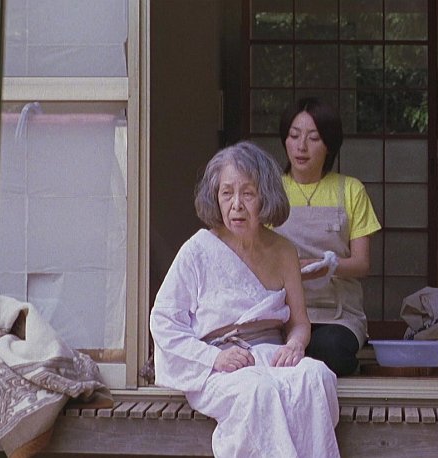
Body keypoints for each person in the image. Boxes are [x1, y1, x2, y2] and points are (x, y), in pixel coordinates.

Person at [150, 141, 340, 458]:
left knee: (315, 377)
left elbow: (299, 323)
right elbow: (164, 322)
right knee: (258, 391)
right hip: (216, 364)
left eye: (248, 194)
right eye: (227, 193)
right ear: (215, 196)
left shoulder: (284, 251)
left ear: (265, 197)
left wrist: (295, 345)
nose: (236, 205)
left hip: (270, 355)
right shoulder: (196, 251)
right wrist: (215, 358)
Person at [272, 97, 382, 377]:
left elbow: (361, 264)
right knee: (270, 352)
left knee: (329, 349)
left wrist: (326, 266)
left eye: (314, 138)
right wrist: (289, 271)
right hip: (280, 312)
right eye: (294, 136)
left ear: (330, 144)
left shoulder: (351, 190)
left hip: (338, 315)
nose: (301, 146)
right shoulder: (270, 190)